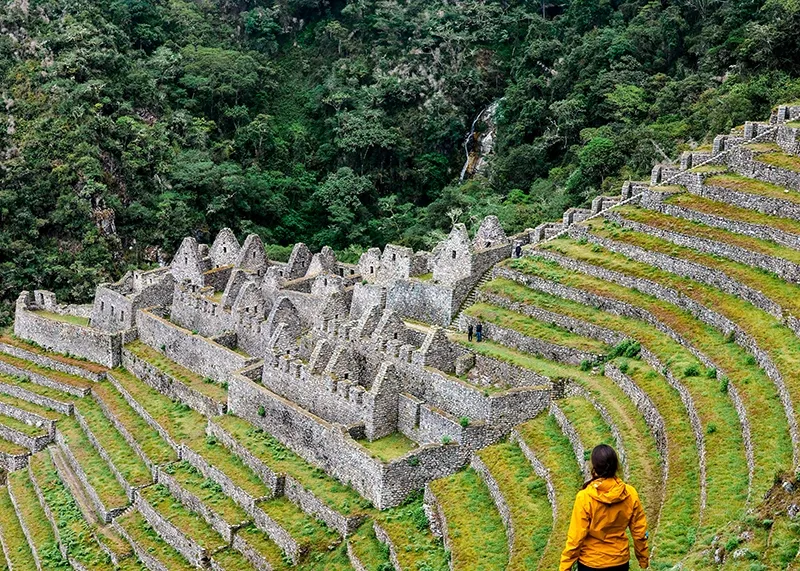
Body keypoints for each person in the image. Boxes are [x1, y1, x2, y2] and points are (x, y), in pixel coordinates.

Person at [560, 444, 649, 571]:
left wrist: (565, 566)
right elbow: (639, 532)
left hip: (590, 563)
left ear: (594, 468)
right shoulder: (630, 493)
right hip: (619, 562)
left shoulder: (585, 497)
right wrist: (643, 559)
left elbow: (576, 537)